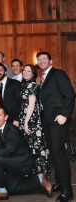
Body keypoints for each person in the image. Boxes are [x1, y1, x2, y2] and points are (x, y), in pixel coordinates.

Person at [0, 106, 51, 200]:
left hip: (22, 161)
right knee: (11, 189)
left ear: (6, 117)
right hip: (13, 160)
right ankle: (39, 180)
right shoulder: (0, 128)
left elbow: (7, 152)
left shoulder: (11, 131)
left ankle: (1, 191)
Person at [38, 51, 75, 202]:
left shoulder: (58, 74)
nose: (41, 61)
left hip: (58, 120)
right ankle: (59, 182)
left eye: (44, 59)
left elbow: (70, 94)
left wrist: (65, 115)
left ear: (51, 61)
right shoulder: (43, 78)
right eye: (39, 60)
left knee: (59, 154)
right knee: (53, 153)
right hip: (47, 121)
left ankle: (68, 191)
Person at [14, 64, 51, 178]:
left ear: (33, 74)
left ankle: (41, 175)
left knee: (37, 146)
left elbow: (31, 105)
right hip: (25, 118)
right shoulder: (25, 85)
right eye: (24, 70)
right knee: (28, 147)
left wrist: (26, 122)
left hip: (32, 120)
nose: (25, 72)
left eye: (28, 71)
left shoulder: (33, 86)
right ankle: (30, 173)